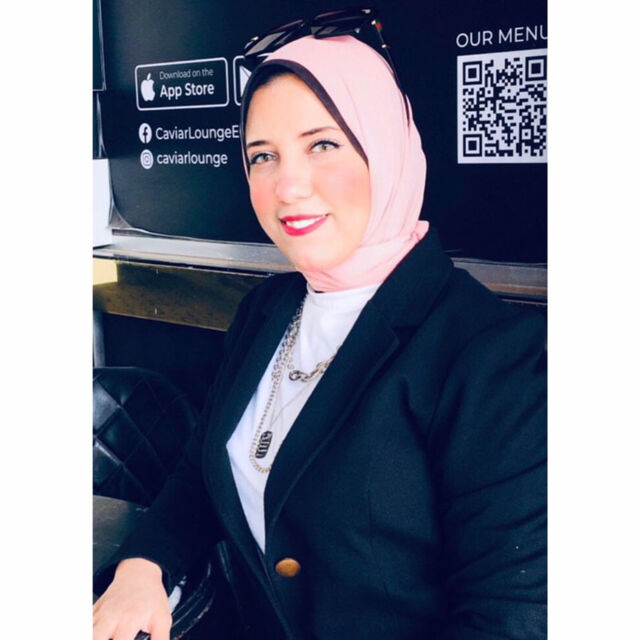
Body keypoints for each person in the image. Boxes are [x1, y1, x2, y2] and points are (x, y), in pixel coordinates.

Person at [93, 30, 546, 640]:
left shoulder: (496, 356)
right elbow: (202, 472)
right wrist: (142, 568)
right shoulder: (265, 312)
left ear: (385, 151)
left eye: (323, 144)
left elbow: (512, 617)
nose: (289, 186)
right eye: (263, 156)